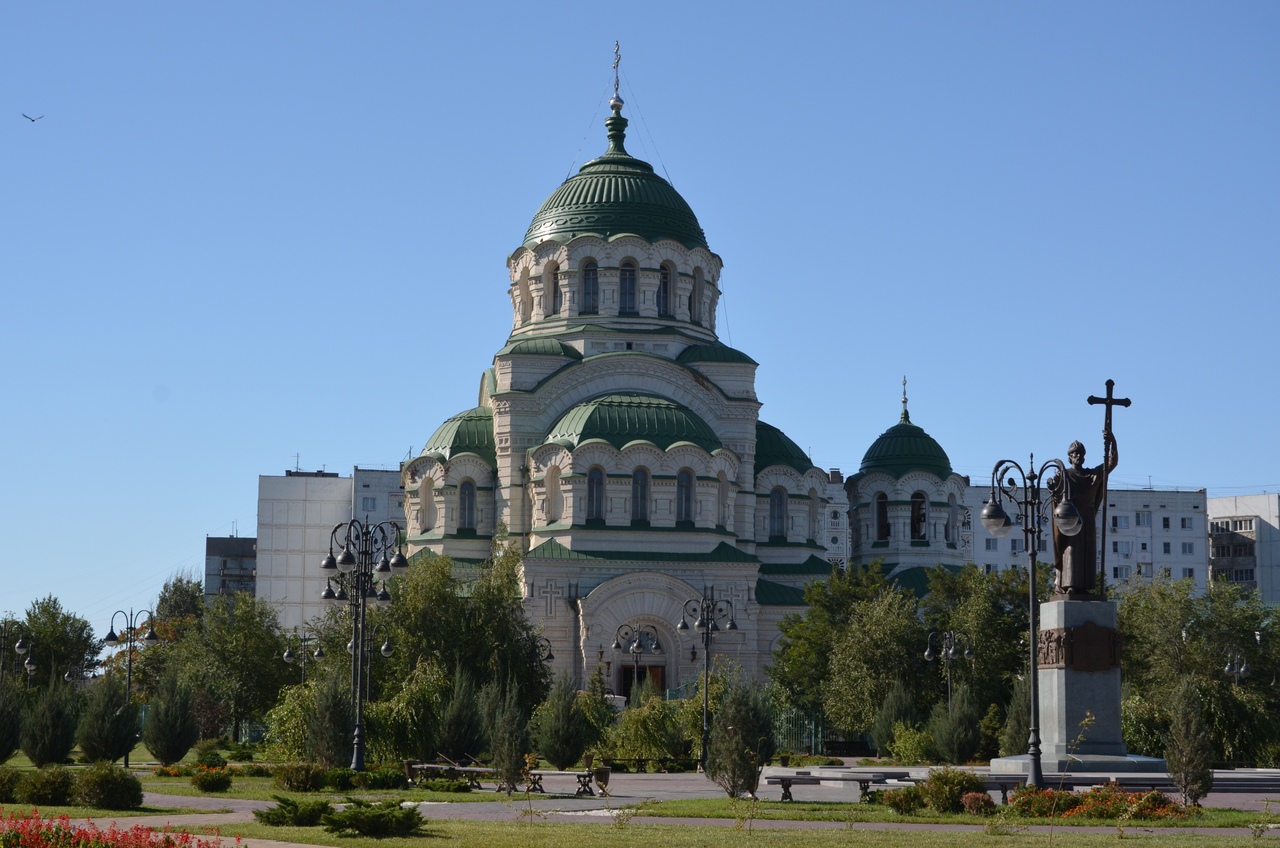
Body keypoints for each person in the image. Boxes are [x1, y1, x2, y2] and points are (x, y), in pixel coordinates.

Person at [1048, 432, 1118, 596]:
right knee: (1071, 550)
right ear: (1070, 458)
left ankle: (1085, 586)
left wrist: (1112, 441)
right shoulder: (1064, 476)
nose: (1078, 456)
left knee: (1087, 552)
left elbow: (1111, 463)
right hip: (1070, 519)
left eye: (1080, 454)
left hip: (1087, 520)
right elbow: (1055, 493)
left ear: (1084, 457)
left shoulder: (1091, 476)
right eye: (1074, 454)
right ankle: (1069, 584)